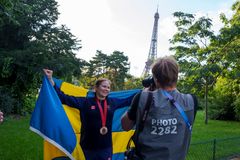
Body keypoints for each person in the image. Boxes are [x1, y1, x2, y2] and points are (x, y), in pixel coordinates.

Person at [43, 69, 137, 160]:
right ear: (96, 88)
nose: (106, 89)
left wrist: (146, 91)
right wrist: (50, 79)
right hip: (88, 147)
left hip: (106, 147)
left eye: (108, 87)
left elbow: (129, 100)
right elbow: (63, 98)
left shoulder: (112, 102)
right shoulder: (85, 102)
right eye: (104, 86)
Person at [121, 56, 198, 160]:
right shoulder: (191, 101)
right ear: (176, 76)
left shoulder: (143, 97)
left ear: (155, 79)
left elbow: (125, 126)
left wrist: (144, 95)